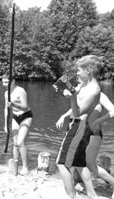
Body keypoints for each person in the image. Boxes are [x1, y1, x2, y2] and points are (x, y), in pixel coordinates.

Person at [54, 55, 103, 199]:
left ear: (88, 70)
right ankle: (92, 195)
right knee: (79, 162)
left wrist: (72, 97)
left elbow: (78, 112)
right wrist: (67, 96)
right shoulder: (85, 85)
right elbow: (77, 105)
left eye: (79, 70)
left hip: (80, 127)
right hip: (79, 126)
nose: (76, 73)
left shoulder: (94, 90)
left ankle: (72, 196)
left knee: (61, 163)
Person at [57, 91, 114, 198]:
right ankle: (79, 185)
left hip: (92, 132)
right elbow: (77, 110)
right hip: (82, 131)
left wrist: (99, 121)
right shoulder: (82, 93)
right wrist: (63, 116)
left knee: (89, 164)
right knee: (80, 162)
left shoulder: (98, 94)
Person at [3, 74, 33, 175]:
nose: (5, 84)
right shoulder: (6, 93)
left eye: (7, 82)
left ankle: (25, 168)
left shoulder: (21, 91)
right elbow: (6, 109)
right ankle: (15, 164)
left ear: (13, 81)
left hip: (26, 116)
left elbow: (25, 107)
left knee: (20, 142)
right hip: (15, 117)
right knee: (15, 142)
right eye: (3, 82)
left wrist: (13, 104)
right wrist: (5, 124)